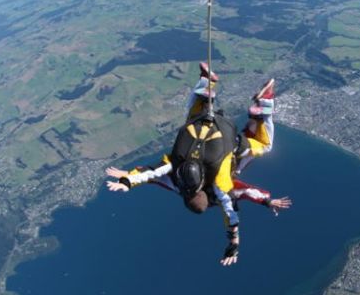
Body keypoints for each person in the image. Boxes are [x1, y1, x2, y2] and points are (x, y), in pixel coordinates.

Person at [105, 62, 291, 266]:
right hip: (202, 123)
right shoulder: (176, 172)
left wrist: (262, 207)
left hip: (226, 136)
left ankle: (263, 108)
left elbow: (238, 203)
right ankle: (206, 85)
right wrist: (127, 180)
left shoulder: (220, 186)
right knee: (192, 115)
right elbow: (152, 174)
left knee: (263, 145)